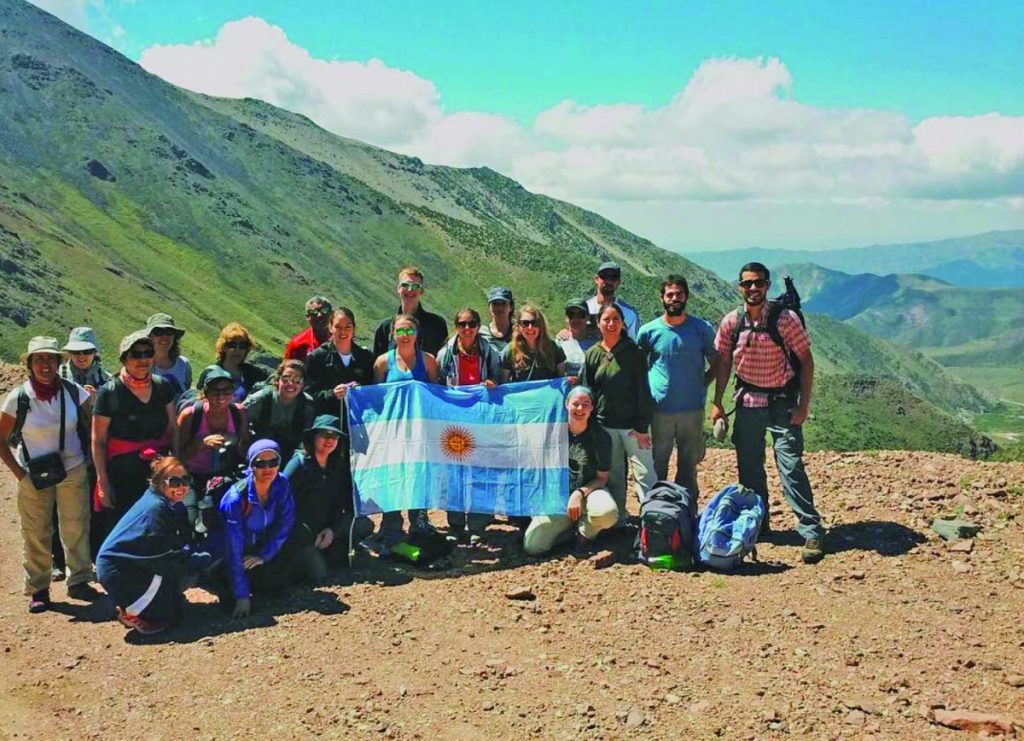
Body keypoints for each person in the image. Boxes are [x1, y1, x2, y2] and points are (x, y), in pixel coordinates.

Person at [711, 262, 826, 564]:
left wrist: (803, 405)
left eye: (759, 283)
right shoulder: (731, 322)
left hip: (782, 402)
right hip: (748, 400)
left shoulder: (785, 320)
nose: (753, 288)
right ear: (739, 286)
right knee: (749, 468)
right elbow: (723, 363)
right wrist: (717, 401)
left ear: (767, 286)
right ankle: (759, 524)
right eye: (748, 283)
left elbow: (806, 361)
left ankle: (811, 530)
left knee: (790, 465)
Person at [0, 337, 98, 613]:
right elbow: (1, 439)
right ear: (30, 364)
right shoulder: (18, 398)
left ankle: (79, 579)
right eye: (39, 359)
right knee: (36, 530)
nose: (46, 365)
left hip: (72, 467)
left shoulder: (73, 391)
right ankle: (39, 588)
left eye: (51, 359)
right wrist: (20, 475)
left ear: (58, 362)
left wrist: (90, 459)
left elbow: (92, 424)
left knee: (76, 524)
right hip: (33, 472)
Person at [96, 456, 213, 635]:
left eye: (186, 480)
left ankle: (136, 604)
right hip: (120, 571)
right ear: (159, 482)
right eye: (173, 481)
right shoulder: (155, 509)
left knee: (177, 593)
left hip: (128, 566)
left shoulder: (161, 500)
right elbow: (162, 558)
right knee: (170, 613)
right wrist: (197, 560)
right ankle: (134, 611)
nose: (181, 486)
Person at [92, 331, 177, 551]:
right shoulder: (110, 392)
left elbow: (172, 427)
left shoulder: (162, 387)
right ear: (124, 358)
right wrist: (102, 481)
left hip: (156, 469)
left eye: (148, 353)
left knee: (156, 519)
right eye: (136, 354)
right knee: (123, 522)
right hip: (122, 474)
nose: (143, 359)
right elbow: (98, 440)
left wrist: (175, 467)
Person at [637, 275, 718, 499]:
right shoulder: (648, 331)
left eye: (679, 294)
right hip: (659, 410)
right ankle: (657, 514)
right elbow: (637, 367)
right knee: (657, 466)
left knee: (688, 468)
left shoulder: (701, 329)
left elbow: (717, 363)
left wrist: (704, 383)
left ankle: (686, 514)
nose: (674, 298)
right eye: (670, 294)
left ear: (687, 297)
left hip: (692, 410)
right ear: (661, 298)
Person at [580, 304, 657, 523]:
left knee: (644, 474)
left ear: (623, 323)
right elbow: (589, 391)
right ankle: (618, 520)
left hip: (634, 427)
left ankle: (652, 523)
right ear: (598, 323)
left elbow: (644, 390)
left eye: (616, 319)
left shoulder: (634, 353)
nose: (611, 324)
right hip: (605, 425)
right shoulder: (593, 354)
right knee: (613, 475)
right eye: (606, 319)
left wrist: (642, 427)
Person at [523, 387, 618, 556]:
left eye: (585, 404)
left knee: (607, 513)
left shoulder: (601, 437)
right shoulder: (551, 432)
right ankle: (567, 531)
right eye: (575, 404)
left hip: (588, 492)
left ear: (592, 408)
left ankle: (585, 533)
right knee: (533, 546)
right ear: (566, 404)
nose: (580, 409)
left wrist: (578, 494)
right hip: (556, 498)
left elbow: (602, 478)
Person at [372, 313, 440, 547]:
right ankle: (390, 523)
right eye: (399, 331)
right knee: (392, 475)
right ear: (392, 334)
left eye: (409, 331)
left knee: (417, 475)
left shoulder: (428, 361)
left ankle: (419, 520)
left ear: (417, 334)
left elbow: (436, 396)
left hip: (419, 431)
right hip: (392, 431)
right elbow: (375, 398)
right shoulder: (382, 362)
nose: (405, 335)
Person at [436, 307, 501, 543]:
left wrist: (493, 383)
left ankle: (477, 526)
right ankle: (455, 524)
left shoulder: (490, 352)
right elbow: (438, 385)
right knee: (455, 473)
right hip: (454, 422)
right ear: (456, 326)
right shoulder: (445, 354)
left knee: (481, 472)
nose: (467, 328)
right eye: (462, 324)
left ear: (478, 326)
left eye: (472, 324)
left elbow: (500, 380)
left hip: (481, 420)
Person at [282, 415, 372, 582]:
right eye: (325, 434)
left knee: (363, 525)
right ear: (314, 436)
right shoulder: (298, 464)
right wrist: (307, 535)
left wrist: (332, 529)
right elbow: (282, 504)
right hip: (301, 530)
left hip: (326, 526)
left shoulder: (336, 465)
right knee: (319, 575)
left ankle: (328, 551)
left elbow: (341, 503)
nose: (330, 440)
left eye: (335, 436)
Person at [216, 440, 296, 618]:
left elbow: (286, 521)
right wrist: (242, 596)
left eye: (273, 462)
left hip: (258, 546)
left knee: (276, 582)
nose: (268, 469)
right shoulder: (235, 499)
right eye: (260, 463)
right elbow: (233, 547)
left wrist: (265, 554)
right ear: (251, 465)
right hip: (234, 551)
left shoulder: (281, 483)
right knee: (232, 592)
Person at [177, 366, 250, 493]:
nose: (221, 396)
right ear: (206, 394)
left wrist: (235, 440)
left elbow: (246, 447)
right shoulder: (190, 415)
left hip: (223, 474)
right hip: (190, 476)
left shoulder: (238, 412)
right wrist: (201, 444)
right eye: (215, 391)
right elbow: (177, 457)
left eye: (227, 391)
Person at [303, 307, 376, 416]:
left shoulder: (366, 356)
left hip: (360, 416)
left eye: (347, 327)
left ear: (354, 328)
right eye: (338, 327)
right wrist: (332, 394)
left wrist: (360, 388)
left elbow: (373, 389)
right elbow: (308, 393)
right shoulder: (318, 357)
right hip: (328, 418)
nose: (343, 331)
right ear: (331, 328)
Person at [242, 359, 314, 462]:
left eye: (297, 380)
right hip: (261, 450)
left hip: (292, 451)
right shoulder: (261, 399)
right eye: (286, 378)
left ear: (303, 384)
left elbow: (308, 433)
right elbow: (239, 415)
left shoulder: (307, 404)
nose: (291, 383)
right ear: (277, 380)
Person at [372, 266, 448, 357]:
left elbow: (444, 360)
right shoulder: (385, 328)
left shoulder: (436, 324)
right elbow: (377, 364)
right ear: (398, 289)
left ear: (422, 291)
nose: (410, 289)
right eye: (405, 285)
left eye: (415, 286)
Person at [197, 323, 268, 403]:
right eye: (232, 345)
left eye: (242, 346)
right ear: (224, 347)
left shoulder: (254, 373)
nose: (237, 349)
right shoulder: (210, 372)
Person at [499, 304, 566, 383]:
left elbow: (562, 379)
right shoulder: (510, 351)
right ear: (518, 326)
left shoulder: (554, 348)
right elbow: (504, 382)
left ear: (541, 326)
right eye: (525, 323)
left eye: (534, 323)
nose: (530, 327)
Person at [585, 261, 641, 340]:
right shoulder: (585, 307)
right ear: (596, 279)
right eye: (604, 276)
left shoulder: (629, 313)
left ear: (618, 283)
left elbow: (635, 343)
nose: (609, 281)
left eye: (613, 278)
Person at [146, 313, 192, 397]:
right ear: (149, 336)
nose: (164, 336)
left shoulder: (184, 364)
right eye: (158, 332)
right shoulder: (142, 366)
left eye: (169, 332)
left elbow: (186, 394)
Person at [59, 327, 112, 394]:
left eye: (87, 351)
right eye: (76, 352)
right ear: (70, 353)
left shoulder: (108, 380)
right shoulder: (57, 377)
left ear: (94, 353)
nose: (81, 357)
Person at [283, 295, 333, 363]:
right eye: (314, 312)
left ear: (332, 314)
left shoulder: (343, 339)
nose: (319, 315)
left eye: (324, 310)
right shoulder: (297, 344)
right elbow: (287, 371)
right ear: (308, 317)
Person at [556, 298, 597, 378]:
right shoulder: (559, 343)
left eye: (581, 315)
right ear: (566, 318)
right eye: (571, 315)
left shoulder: (597, 343)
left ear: (588, 317)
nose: (576, 319)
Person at [477, 286, 515, 353]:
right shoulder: (480, 333)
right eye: (495, 304)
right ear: (489, 307)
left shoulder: (519, 332)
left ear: (511, 307)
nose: (499, 308)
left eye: (503, 303)